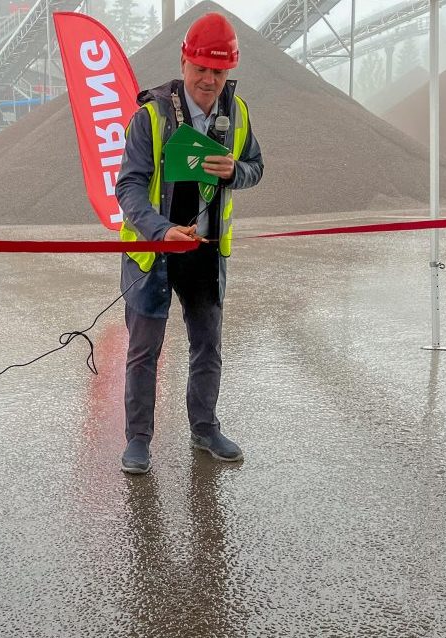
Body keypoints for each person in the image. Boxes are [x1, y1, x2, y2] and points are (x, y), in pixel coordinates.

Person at [115, 12, 263, 474]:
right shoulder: (152, 115)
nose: (209, 79)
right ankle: (138, 440)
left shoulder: (236, 112)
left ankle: (205, 428)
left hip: (205, 250)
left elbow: (257, 166)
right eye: (201, 68)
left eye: (218, 71)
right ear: (184, 62)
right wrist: (160, 230)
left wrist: (236, 172)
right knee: (145, 351)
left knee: (207, 346)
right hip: (155, 253)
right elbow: (129, 187)